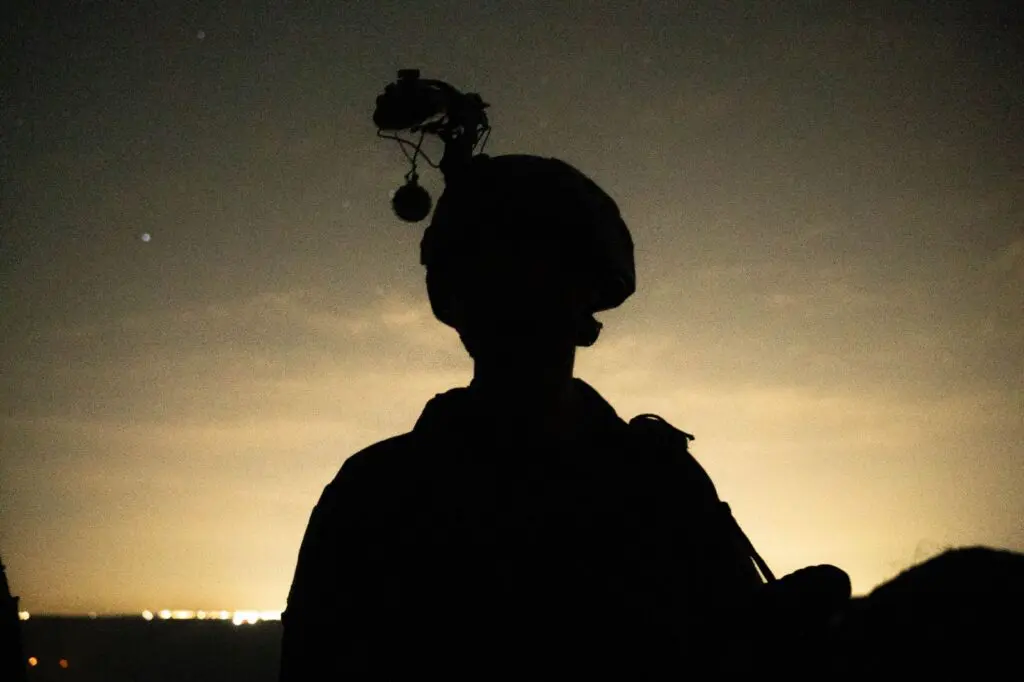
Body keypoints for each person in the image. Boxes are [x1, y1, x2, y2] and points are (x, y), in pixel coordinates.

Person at [278, 154, 849, 680]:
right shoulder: (377, 493)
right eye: (495, 276)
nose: (516, 301)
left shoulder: (660, 477)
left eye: (535, 274)